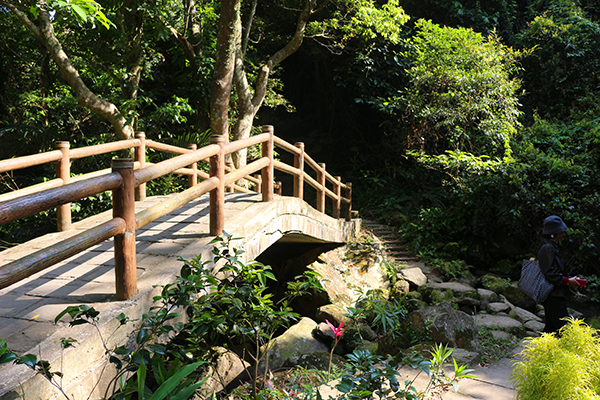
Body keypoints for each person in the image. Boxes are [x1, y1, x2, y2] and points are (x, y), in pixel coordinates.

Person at [538, 215, 581, 334]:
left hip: (553, 295)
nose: (563, 232)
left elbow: (554, 270)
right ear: (554, 232)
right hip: (553, 296)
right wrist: (568, 281)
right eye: (560, 230)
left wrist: (569, 279)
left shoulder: (550, 246)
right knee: (564, 330)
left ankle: (544, 351)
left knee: (551, 330)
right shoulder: (548, 247)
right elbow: (549, 273)